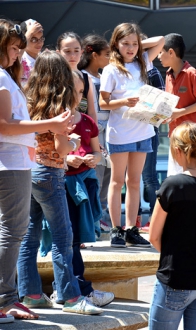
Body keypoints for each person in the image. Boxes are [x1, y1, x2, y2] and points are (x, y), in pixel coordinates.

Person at [16, 50, 102, 315]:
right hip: (51, 173)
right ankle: (70, 297)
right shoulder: (60, 106)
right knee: (64, 237)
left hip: (30, 170)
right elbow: (61, 146)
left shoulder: (28, 99)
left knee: (28, 238)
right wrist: (75, 142)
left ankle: (30, 294)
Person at [0, 18, 73, 322]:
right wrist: (52, 125)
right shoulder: (3, 79)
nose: (19, 53)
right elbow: (4, 126)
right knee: (13, 233)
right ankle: (5, 299)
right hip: (11, 164)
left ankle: (10, 297)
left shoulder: (7, 78)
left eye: (19, 48)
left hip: (18, 163)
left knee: (17, 234)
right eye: (14, 47)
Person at [49, 70, 114, 307]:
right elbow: (49, 152)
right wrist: (67, 161)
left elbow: (97, 151)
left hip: (83, 185)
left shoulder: (87, 121)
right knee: (67, 238)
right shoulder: (55, 118)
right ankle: (75, 289)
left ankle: (71, 289)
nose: (77, 96)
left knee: (74, 238)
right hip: (60, 183)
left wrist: (94, 158)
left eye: (80, 91)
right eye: (72, 90)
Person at [148, 122, 196, 330]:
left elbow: (153, 236)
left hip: (176, 279)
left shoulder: (173, 185)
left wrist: (176, 255)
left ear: (177, 150)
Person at [99, 22, 164, 248]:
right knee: (117, 182)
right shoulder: (110, 69)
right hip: (119, 133)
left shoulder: (143, 61)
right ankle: (116, 229)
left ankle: (131, 229)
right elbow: (102, 102)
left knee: (134, 182)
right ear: (116, 44)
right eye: (125, 43)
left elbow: (161, 40)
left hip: (143, 130)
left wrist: (136, 42)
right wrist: (123, 102)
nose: (130, 48)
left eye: (134, 44)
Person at [157, 33, 196, 177]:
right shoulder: (168, 74)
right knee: (175, 178)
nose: (158, 56)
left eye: (160, 52)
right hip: (175, 136)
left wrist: (180, 112)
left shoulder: (192, 73)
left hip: (194, 139)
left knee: (193, 179)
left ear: (171, 52)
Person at [78, 34, 112, 231]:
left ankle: (102, 216)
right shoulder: (83, 77)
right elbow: (83, 108)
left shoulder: (105, 76)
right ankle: (92, 221)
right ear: (93, 54)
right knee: (96, 177)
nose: (109, 58)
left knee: (108, 176)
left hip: (110, 134)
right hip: (93, 134)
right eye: (106, 54)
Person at [137, 32, 165, 231]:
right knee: (132, 178)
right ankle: (136, 219)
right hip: (129, 130)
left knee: (148, 176)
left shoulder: (152, 73)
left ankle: (155, 220)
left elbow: (162, 110)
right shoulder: (127, 71)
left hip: (148, 130)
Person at [56, 31, 97, 123]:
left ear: (81, 52)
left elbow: (91, 112)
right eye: (67, 51)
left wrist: (94, 134)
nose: (73, 55)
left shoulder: (87, 79)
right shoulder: (54, 77)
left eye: (76, 51)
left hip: (82, 129)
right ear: (58, 53)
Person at [19, 18, 43, 86]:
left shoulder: (45, 57)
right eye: (33, 39)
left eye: (41, 38)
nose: (39, 43)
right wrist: (30, 33)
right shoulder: (19, 58)